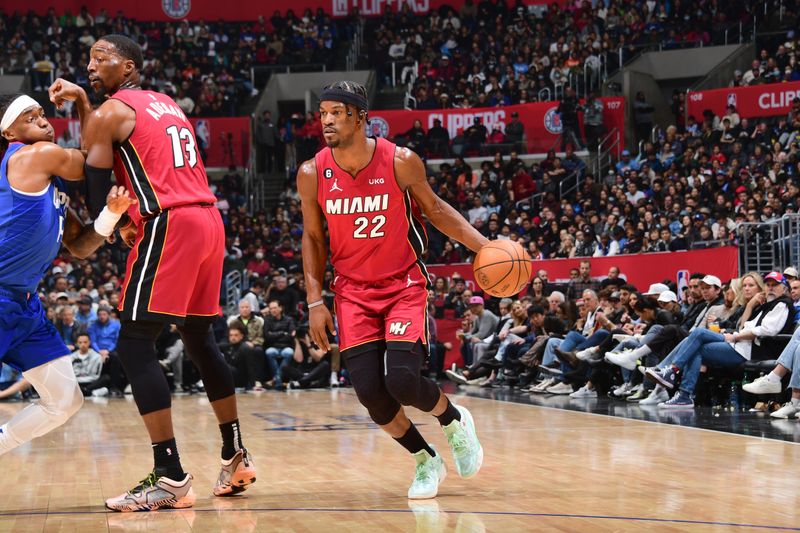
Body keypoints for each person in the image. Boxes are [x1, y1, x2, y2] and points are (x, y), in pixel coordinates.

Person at [48, 34, 256, 511]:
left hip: (171, 223)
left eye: (103, 58)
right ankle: (235, 453)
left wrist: (116, 222)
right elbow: (110, 142)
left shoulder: (109, 114)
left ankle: (170, 477)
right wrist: (83, 102)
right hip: (208, 219)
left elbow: (96, 175)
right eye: (89, 59)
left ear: (130, 67)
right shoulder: (162, 103)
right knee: (201, 339)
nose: (93, 64)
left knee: (134, 344)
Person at [299, 81, 484, 500]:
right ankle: (425, 459)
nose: (326, 120)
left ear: (361, 116)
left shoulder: (400, 161)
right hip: (351, 293)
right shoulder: (312, 172)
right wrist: (314, 300)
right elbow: (312, 238)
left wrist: (484, 247)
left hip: (403, 284)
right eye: (322, 112)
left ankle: (453, 420)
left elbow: (436, 211)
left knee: (401, 380)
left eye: (336, 112)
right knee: (370, 394)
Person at [0, 93, 134, 456]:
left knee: (65, 400)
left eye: (43, 114)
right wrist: (82, 101)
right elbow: (92, 158)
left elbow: (79, 245)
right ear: (10, 133)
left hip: (24, 305)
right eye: (31, 118)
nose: (44, 121)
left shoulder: (49, 185)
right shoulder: (32, 156)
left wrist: (110, 213)